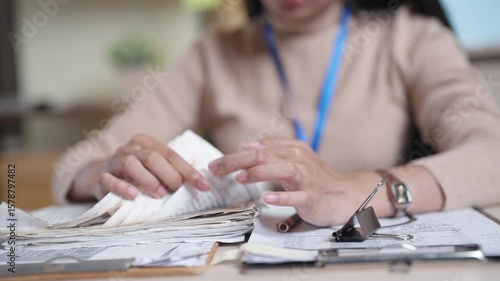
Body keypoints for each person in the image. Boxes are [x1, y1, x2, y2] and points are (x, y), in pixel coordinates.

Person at [52, 0, 500, 226]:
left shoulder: (410, 38)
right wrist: (102, 172)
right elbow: (71, 167)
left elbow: (492, 152)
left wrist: (362, 190)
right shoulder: (214, 53)